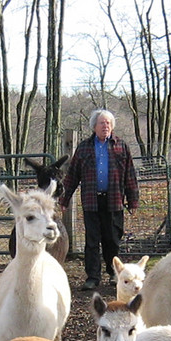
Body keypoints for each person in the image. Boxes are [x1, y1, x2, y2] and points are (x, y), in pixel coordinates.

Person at [60, 109, 140, 291]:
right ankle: (92, 277)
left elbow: (130, 175)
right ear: (94, 126)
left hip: (114, 200)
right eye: (102, 123)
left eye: (109, 123)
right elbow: (72, 176)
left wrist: (133, 200)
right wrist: (64, 199)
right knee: (92, 241)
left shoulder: (121, 146)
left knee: (112, 239)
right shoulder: (84, 147)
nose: (106, 126)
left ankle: (114, 274)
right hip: (92, 201)